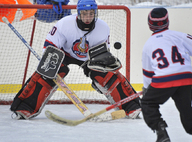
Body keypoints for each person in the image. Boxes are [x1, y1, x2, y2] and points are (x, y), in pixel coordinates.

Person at [10, 0, 141, 120]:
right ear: (78, 14)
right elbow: (50, 46)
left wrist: (102, 71)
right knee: (48, 71)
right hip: (65, 54)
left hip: (90, 57)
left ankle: (131, 107)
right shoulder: (65, 24)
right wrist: (49, 60)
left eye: (91, 14)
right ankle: (24, 107)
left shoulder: (103, 27)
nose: (88, 17)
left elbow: (102, 54)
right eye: (84, 14)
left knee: (107, 75)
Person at [141, 7, 192, 142]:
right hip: (185, 78)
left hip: (164, 79)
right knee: (186, 110)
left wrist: (146, 89)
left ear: (149, 24)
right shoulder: (179, 35)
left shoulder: (148, 45)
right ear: (167, 21)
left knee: (147, 104)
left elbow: (148, 73)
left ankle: (161, 132)